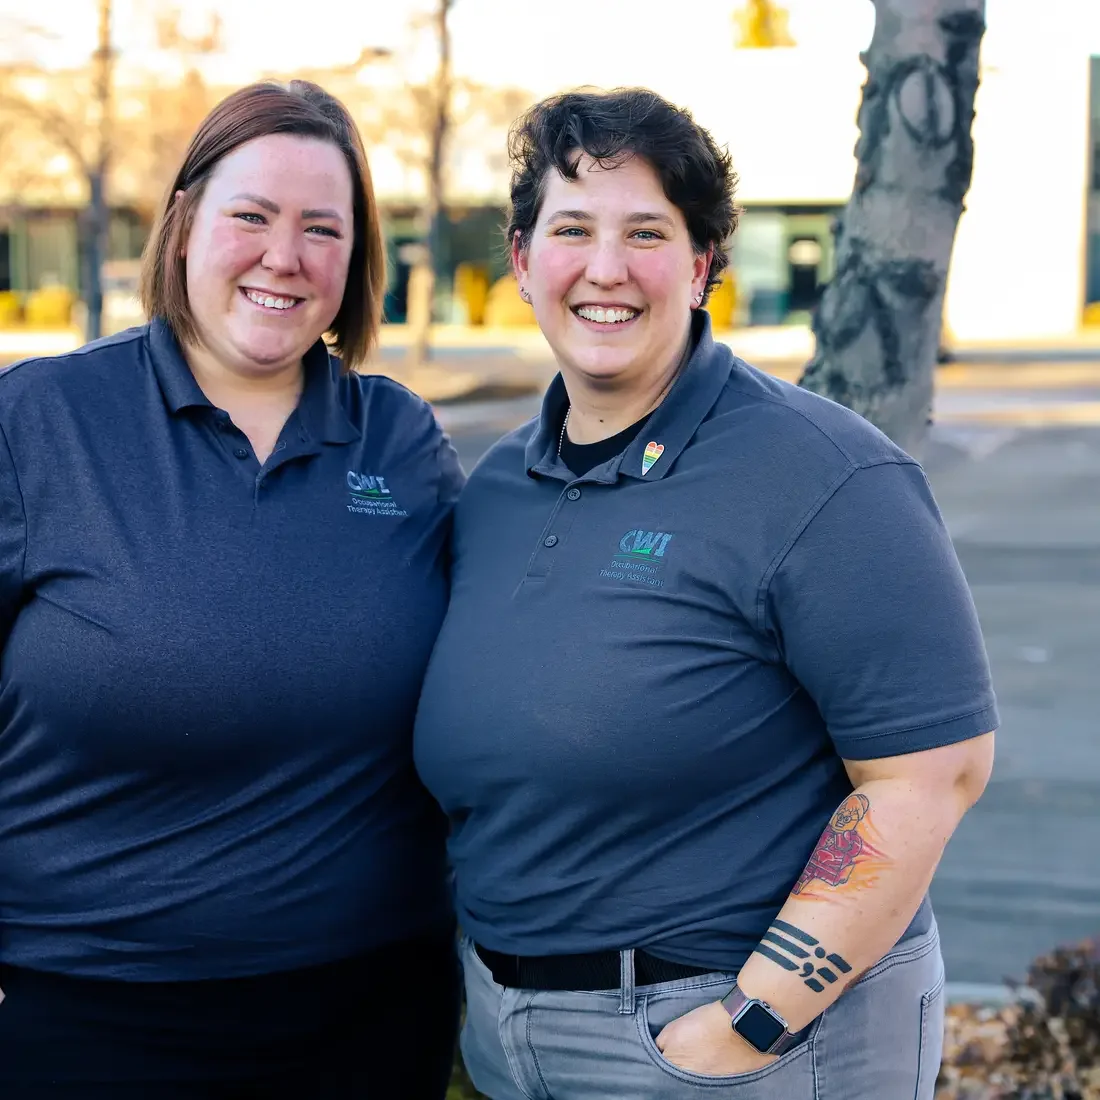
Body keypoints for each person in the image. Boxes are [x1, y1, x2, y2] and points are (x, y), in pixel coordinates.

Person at [413, 88, 997, 1100]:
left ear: (699, 266)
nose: (605, 268)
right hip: (511, 1039)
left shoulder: (821, 475)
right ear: (520, 260)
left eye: (645, 232)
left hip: (725, 1040)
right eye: (570, 229)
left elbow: (926, 775)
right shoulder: (498, 484)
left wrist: (752, 1017)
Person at [0, 81, 463, 1098]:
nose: (282, 256)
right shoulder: (40, 424)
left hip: (370, 1016)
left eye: (321, 228)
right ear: (182, 227)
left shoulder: (402, 444)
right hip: (86, 1018)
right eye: (249, 216)